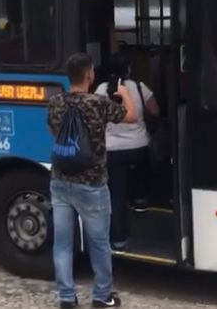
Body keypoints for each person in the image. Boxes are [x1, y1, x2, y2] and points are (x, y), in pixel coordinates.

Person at [47, 53, 137, 309]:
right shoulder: (98, 103)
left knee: (62, 244)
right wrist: (125, 94)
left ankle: (66, 298)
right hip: (92, 184)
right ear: (90, 75)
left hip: (60, 181)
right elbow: (132, 117)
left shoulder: (55, 103)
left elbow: (54, 131)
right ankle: (101, 296)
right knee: (99, 243)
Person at [95, 52, 161, 250]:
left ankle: (119, 240)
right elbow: (156, 111)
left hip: (112, 150)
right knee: (142, 168)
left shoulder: (100, 89)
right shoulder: (140, 87)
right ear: (129, 68)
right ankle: (141, 201)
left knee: (116, 194)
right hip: (138, 147)